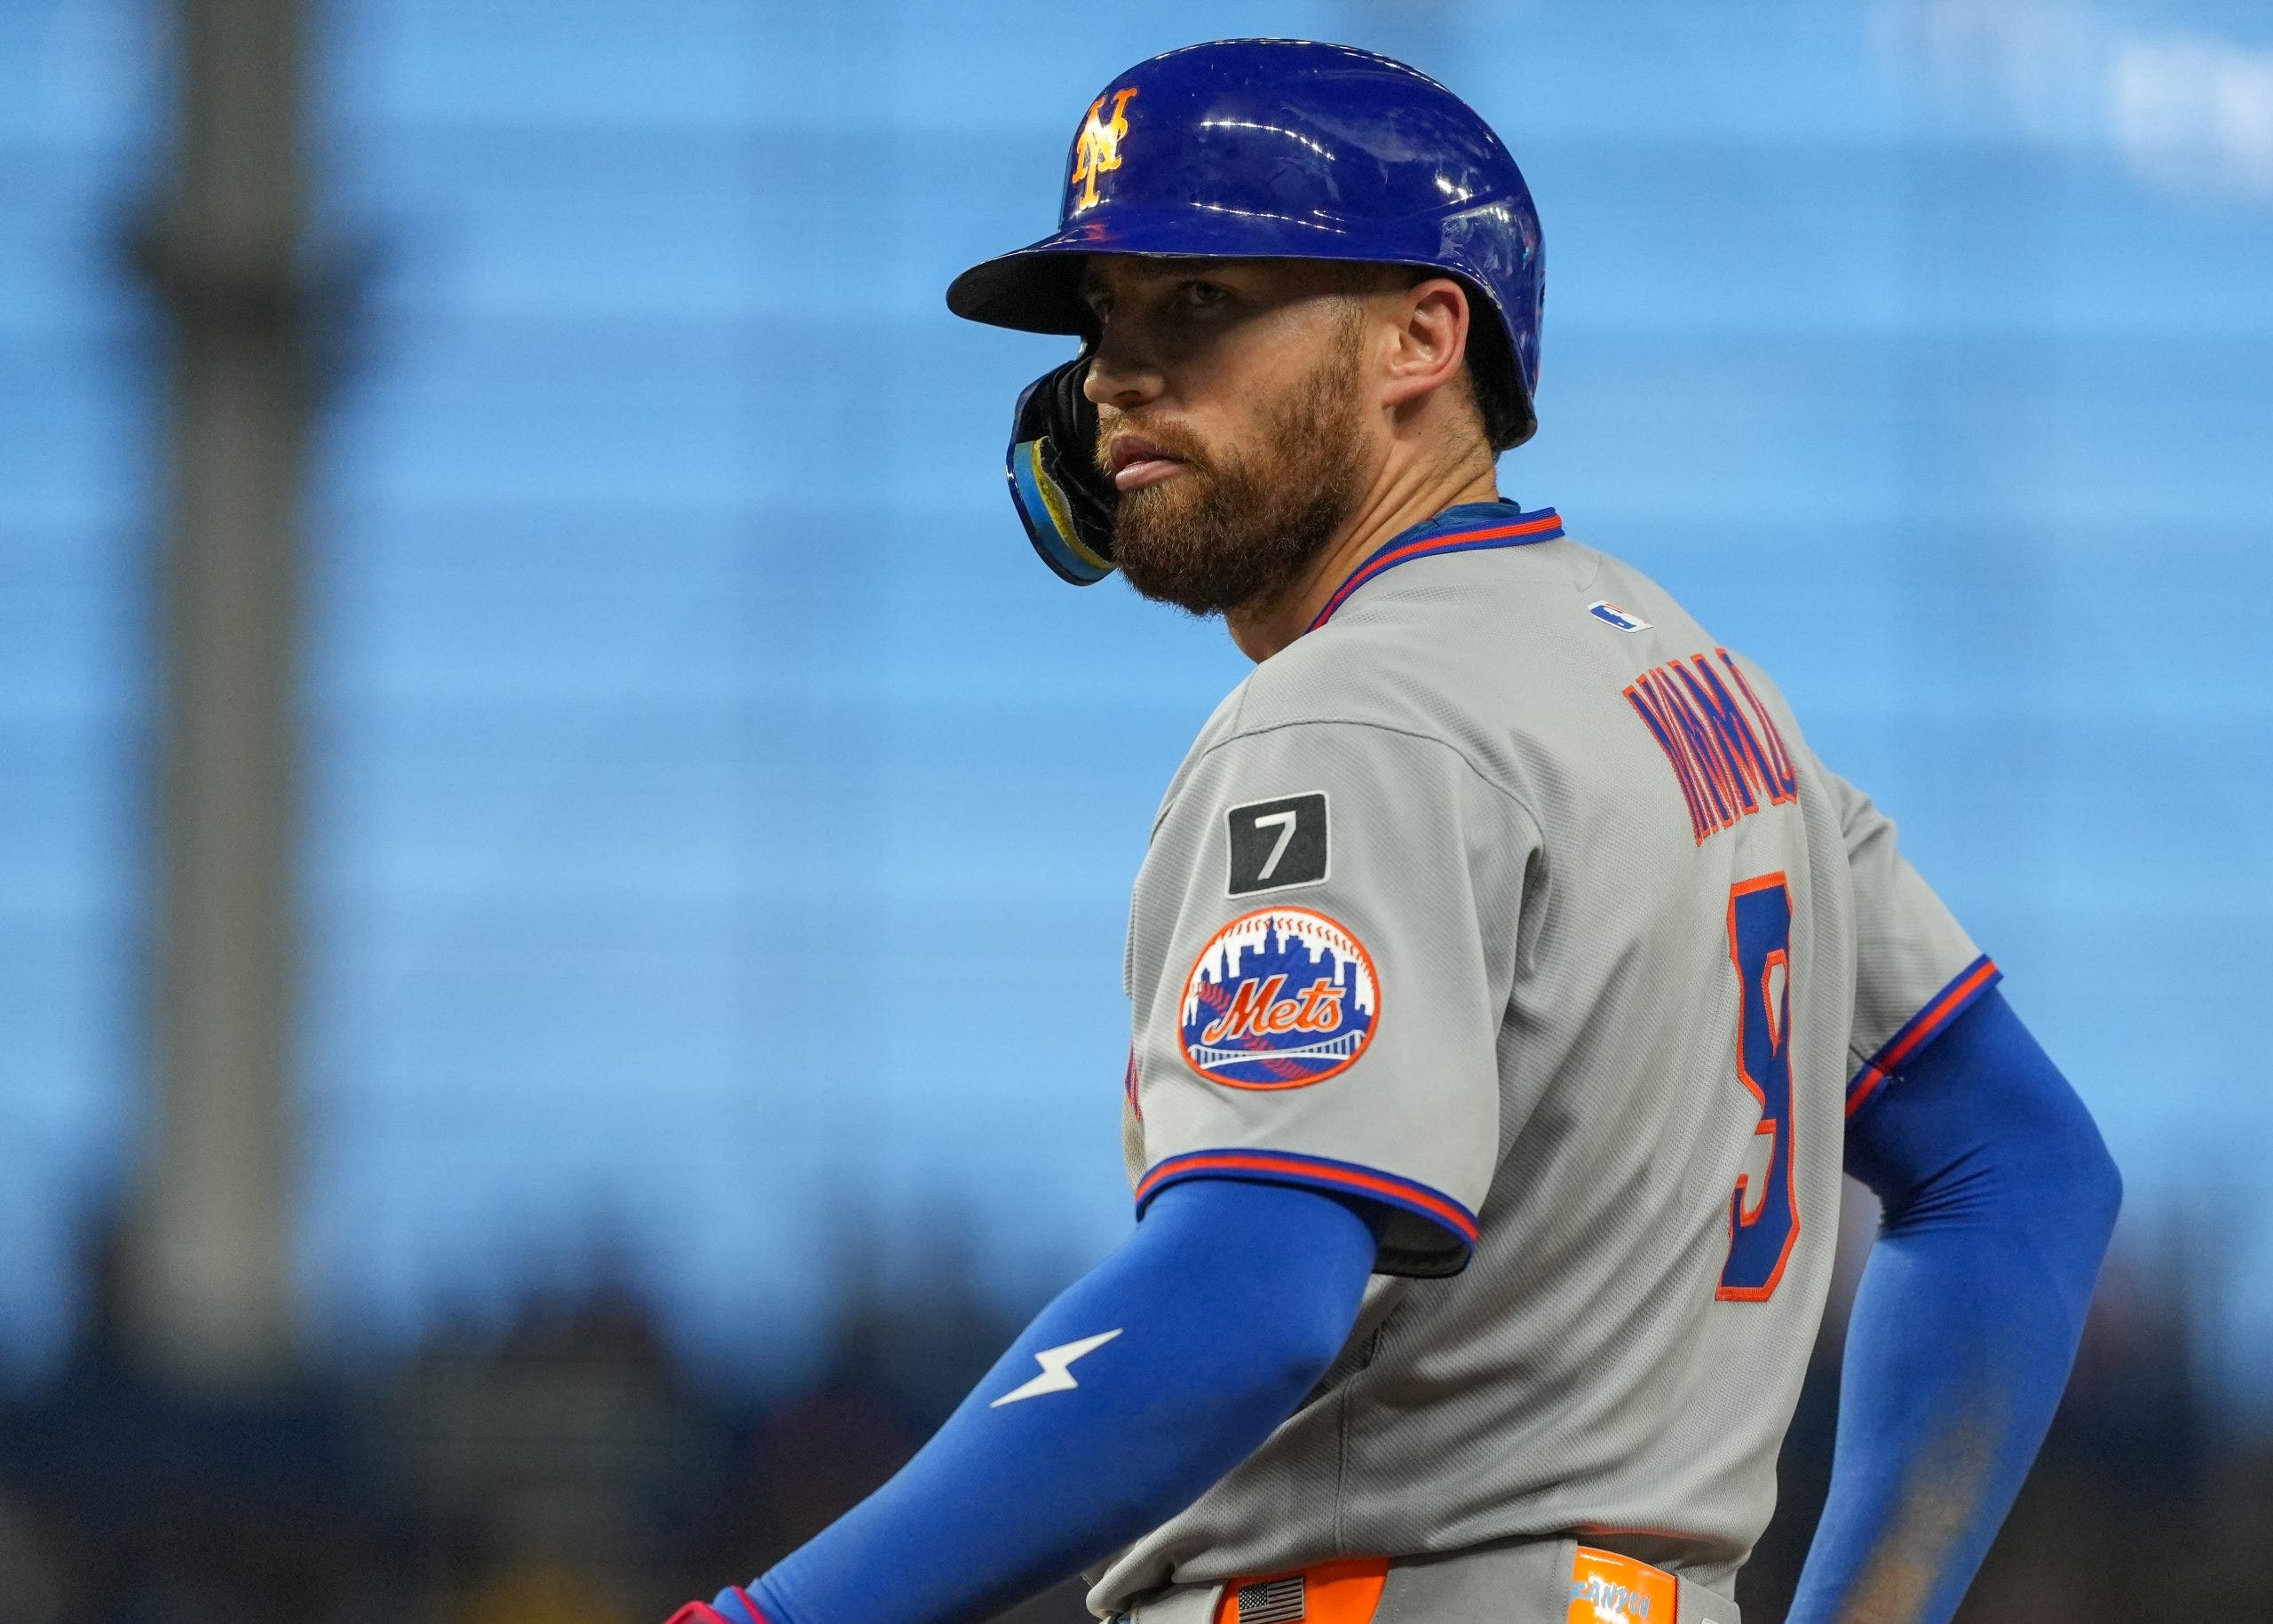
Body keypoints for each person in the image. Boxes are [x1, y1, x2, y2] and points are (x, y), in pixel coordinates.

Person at [667, 39, 2119, 1624]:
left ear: (1424, 336)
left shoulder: (1356, 714)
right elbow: (2021, 1168)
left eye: (1199, 300)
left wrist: (778, 1616)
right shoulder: (1697, 685)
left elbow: (1240, 1300)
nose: (1115, 379)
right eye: (1104, 320)